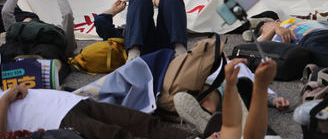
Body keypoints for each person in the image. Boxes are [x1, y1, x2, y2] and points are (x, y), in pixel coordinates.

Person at [0, 84, 195, 138]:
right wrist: (6, 99)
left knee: (140, 121)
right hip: (56, 120)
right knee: (118, 136)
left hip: (72, 102)